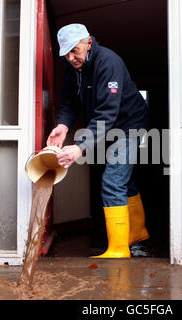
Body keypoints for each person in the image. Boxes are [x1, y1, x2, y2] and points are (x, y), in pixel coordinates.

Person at [47, 24, 149, 259]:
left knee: (113, 180)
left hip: (129, 124)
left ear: (89, 43)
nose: (71, 58)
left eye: (75, 51)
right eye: (66, 54)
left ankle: (119, 250)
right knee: (124, 177)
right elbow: (68, 103)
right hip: (108, 125)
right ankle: (136, 234)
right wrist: (63, 126)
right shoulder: (72, 67)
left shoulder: (108, 63)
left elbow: (107, 114)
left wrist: (80, 147)